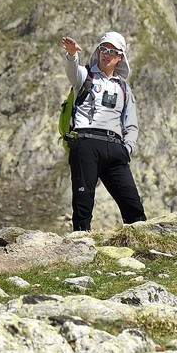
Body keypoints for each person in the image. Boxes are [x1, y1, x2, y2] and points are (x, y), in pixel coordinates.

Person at [58, 31, 146, 231]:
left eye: (112, 51)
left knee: (132, 203)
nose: (106, 54)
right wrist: (72, 55)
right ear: (98, 51)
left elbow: (131, 124)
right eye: (103, 49)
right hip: (86, 142)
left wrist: (127, 149)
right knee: (83, 201)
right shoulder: (85, 75)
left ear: (120, 57)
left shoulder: (123, 87)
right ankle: (80, 248)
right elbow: (72, 72)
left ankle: (142, 246)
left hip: (115, 148)